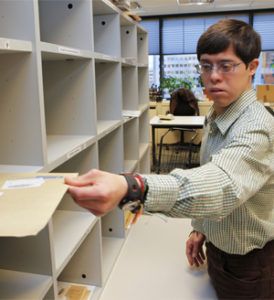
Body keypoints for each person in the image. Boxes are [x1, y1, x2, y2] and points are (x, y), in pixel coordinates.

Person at [65, 19, 274, 299]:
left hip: (248, 264)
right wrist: (201, 229)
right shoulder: (219, 113)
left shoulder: (256, 126)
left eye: (226, 66)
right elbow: (209, 172)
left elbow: (221, 185)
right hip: (219, 248)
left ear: (252, 68)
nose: (213, 76)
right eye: (206, 65)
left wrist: (134, 187)